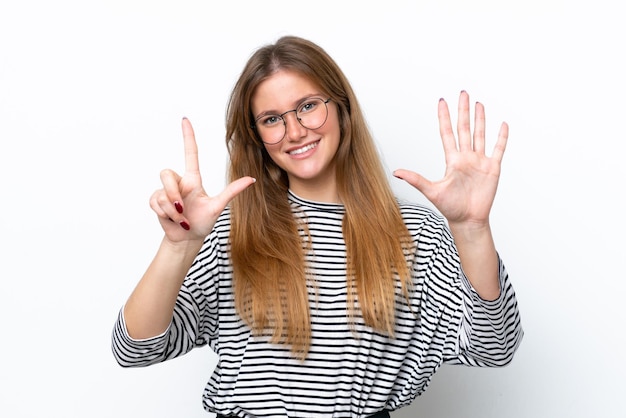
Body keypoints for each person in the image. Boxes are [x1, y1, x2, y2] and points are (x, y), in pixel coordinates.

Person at [111, 35, 523, 418]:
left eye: (308, 106)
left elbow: (496, 347)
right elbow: (135, 350)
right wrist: (178, 246)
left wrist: (472, 229)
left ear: (341, 107)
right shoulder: (232, 230)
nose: (295, 131)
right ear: (257, 137)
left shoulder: (415, 232)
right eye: (272, 119)